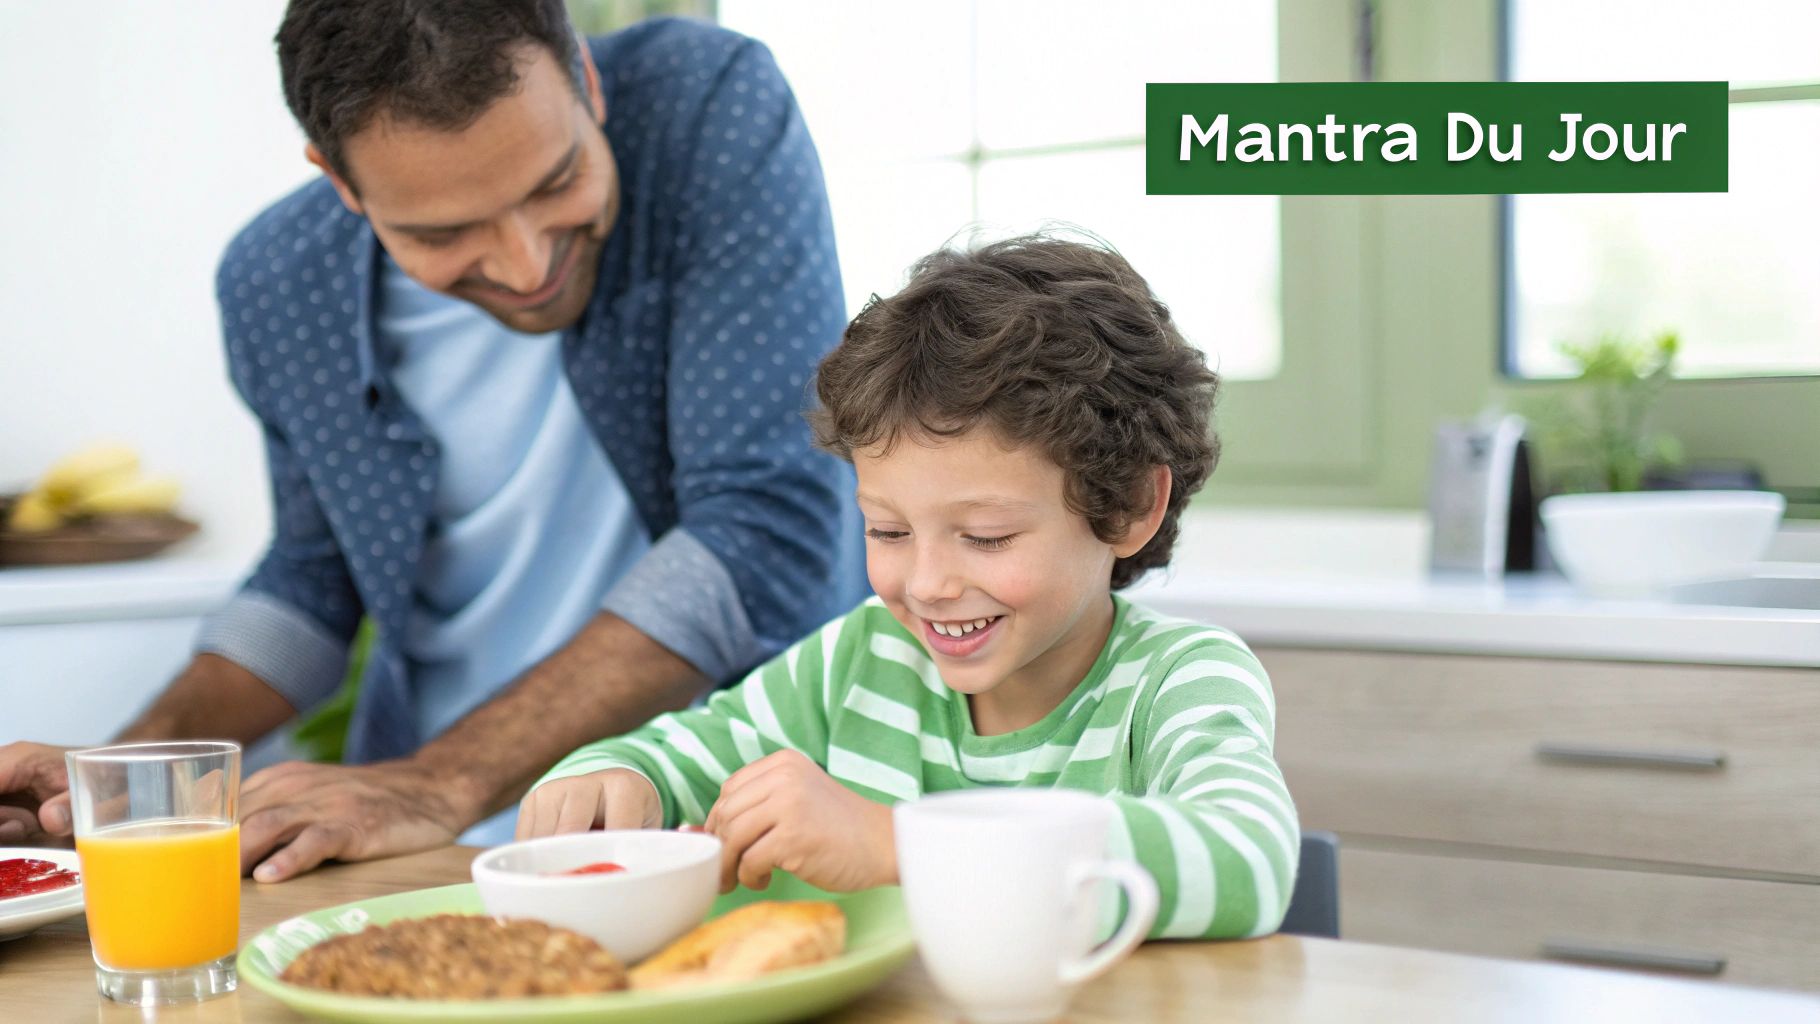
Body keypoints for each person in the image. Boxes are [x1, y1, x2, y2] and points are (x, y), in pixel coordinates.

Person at [0, 2, 864, 879]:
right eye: (444, 233)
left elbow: (761, 530)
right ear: (338, 182)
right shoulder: (276, 283)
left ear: (587, 83)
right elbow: (311, 582)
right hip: (416, 851)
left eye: (555, 181)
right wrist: (119, 780)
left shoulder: (707, 109)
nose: (527, 266)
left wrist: (433, 782)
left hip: (713, 826)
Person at [521, 234, 1302, 939]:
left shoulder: (1178, 679)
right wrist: (608, 782)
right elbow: (670, 756)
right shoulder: (854, 665)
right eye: (888, 532)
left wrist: (895, 844)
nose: (926, 584)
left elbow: (1248, 862)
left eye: (985, 536)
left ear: (1129, 505)